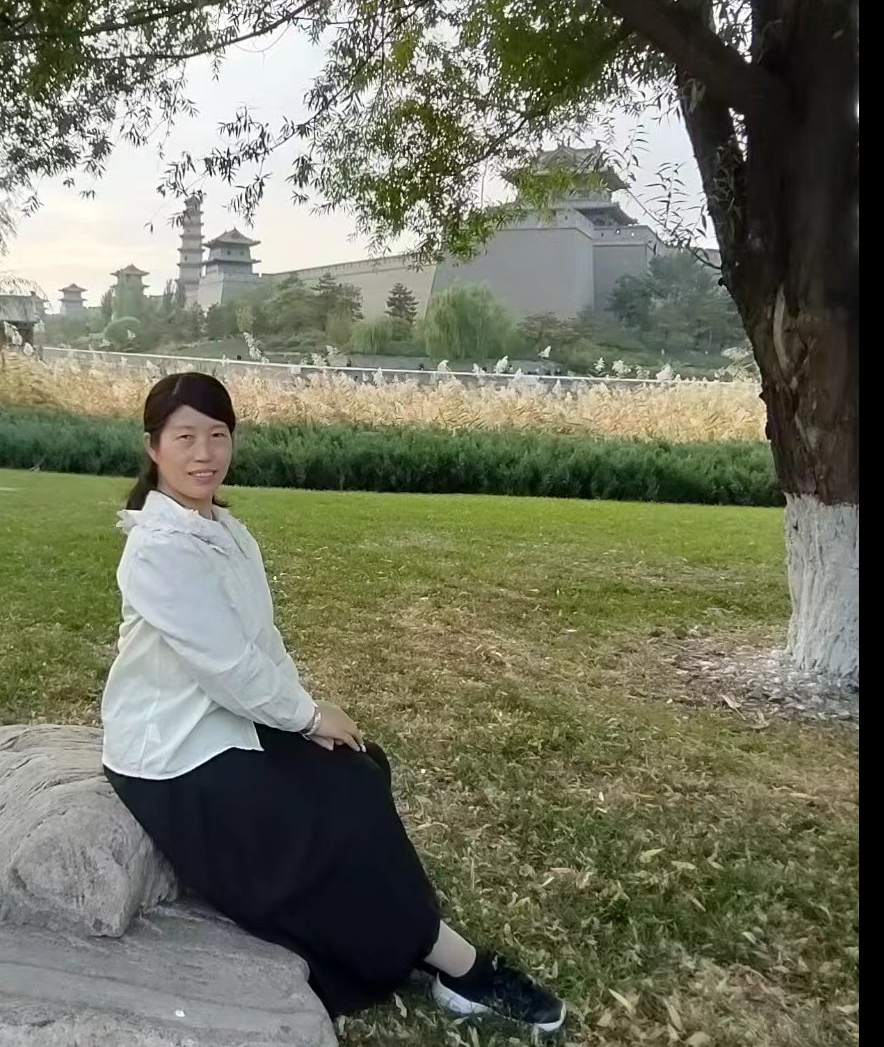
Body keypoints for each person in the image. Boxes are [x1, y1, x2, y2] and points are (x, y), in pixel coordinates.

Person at [101, 372, 566, 1033]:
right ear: (154, 447)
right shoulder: (157, 550)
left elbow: (260, 644)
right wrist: (307, 716)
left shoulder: (223, 529)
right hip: (171, 751)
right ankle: (460, 969)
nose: (204, 454)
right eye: (185, 438)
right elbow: (227, 666)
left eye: (217, 435)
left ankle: (402, 930)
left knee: (359, 767)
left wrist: (306, 718)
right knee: (336, 810)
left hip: (227, 720)